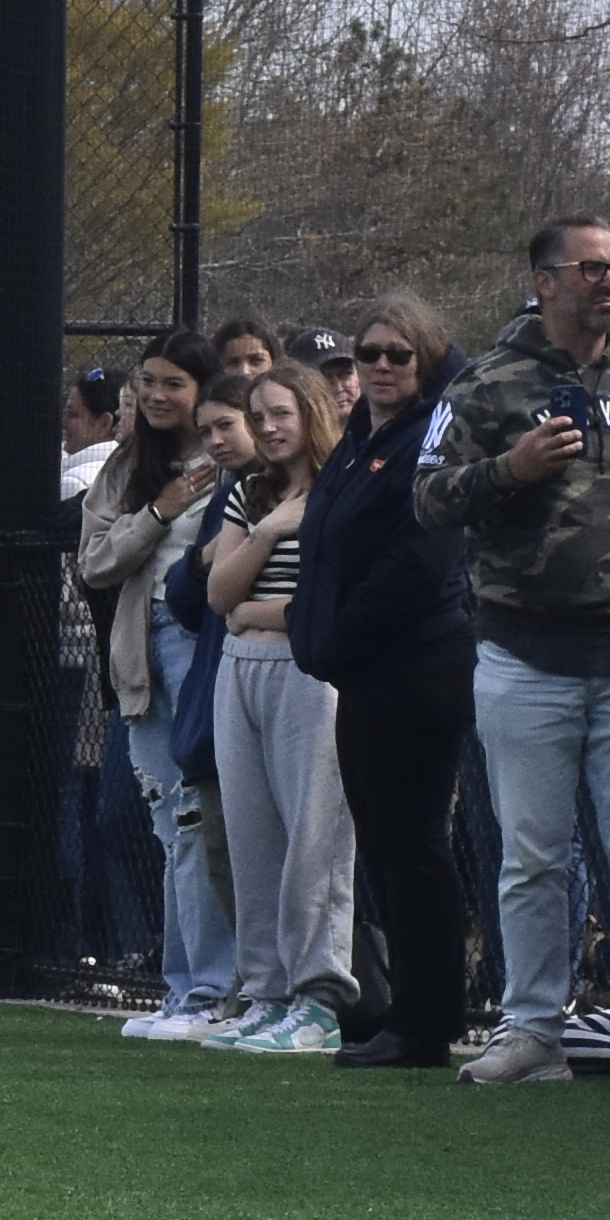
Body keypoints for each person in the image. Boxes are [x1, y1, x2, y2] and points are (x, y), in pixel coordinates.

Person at [422, 215, 610, 1090]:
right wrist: (512, 470)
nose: (608, 282)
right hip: (525, 657)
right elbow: (429, 500)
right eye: (589, 268)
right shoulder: (485, 388)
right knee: (531, 856)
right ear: (544, 280)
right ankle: (534, 1028)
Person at [288, 294, 471, 1069]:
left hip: (414, 663)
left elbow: (420, 560)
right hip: (358, 667)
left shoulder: (433, 440)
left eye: (402, 355)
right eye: (371, 355)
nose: (384, 367)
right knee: (385, 842)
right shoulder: (360, 438)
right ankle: (404, 1006)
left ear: (427, 362)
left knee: (413, 840)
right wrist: (315, 632)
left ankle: (428, 1019)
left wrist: (340, 632)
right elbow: (323, 544)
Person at [76, 333, 240, 1034]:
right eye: (148, 381)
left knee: (206, 822)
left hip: (207, 648)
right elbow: (97, 561)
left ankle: (213, 991)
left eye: (173, 383)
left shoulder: (230, 458)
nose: (156, 395)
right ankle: (185, 991)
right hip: (141, 654)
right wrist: (162, 510)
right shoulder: (125, 465)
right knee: (169, 827)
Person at [191, 357, 355, 1053]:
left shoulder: (344, 487)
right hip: (241, 672)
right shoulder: (248, 493)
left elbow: (321, 606)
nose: (270, 427)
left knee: (314, 840)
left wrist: (256, 608)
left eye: (282, 413)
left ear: (312, 411)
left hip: (310, 674)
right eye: (260, 416)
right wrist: (266, 531)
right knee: (253, 838)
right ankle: (266, 992)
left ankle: (319, 997)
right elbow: (217, 598)